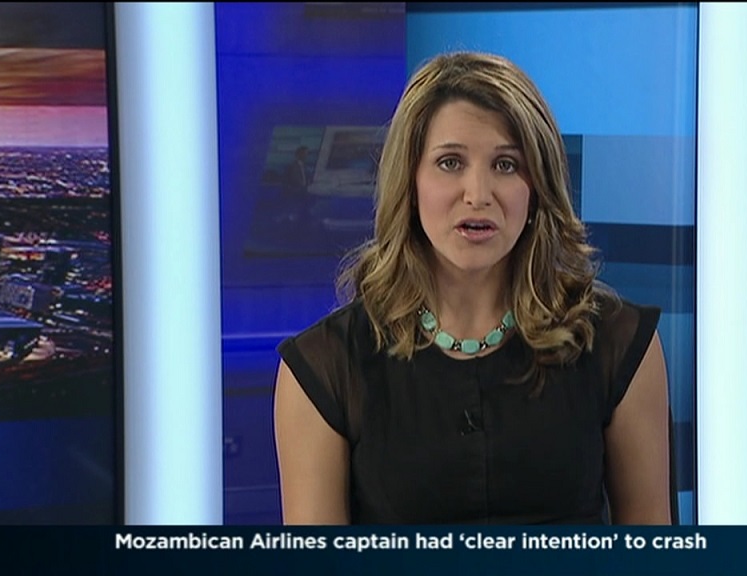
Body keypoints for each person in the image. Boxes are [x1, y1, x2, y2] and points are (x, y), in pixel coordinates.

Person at [274, 51, 672, 525]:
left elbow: (651, 545)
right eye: (450, 162)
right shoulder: (325, 370)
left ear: (537, 187)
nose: (478, 194)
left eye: (506, 164)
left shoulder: (616, 345)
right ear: (410, 182)